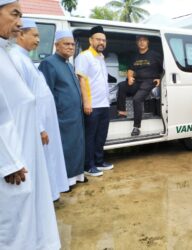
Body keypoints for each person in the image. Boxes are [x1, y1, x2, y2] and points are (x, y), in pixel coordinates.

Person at [0, 1, 60, 249]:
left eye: (21, 16)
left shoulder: (5, 52)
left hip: (23, 149)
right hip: (11, 161)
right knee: (15, 222)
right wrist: (9, 162)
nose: (20, 22)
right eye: (14, 15)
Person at [8, 18, 69, 201]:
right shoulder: (16, 59)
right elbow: (25, 100)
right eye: (34, 35)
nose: (38, 40)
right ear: (21, 34)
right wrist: (40, 127)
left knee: (49, 160)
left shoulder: (26, 58)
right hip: (36, 124)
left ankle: (51, 193)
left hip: (44, 122)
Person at [39, 30, 85, 187]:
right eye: (66, 44)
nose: (70, 47)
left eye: (72, 44)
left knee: (77, 145)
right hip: (61, 116)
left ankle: (77, 176)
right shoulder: (49, 63)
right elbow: (46, 94)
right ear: (56, 45)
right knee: (65, 148)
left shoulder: (69, 64)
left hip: (75, 115)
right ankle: (65, 181)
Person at [75, 26, 114, 177]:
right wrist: (86, 103)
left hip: (104, 104)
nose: (101, 42)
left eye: (103, 40)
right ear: (90, 40)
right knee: (90, 137)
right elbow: (82, 80)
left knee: (101, 135)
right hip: (92, 105)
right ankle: (88, 165)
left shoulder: (101, 58)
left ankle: (99, 161)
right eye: (98, 39)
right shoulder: (84, 56)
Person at [116, 35, 163, 136]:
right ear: (137, 43)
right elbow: (130, 69)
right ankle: (122, 112)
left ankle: (136, 127)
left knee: (137, 99)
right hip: (137, 81)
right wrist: (129, 77)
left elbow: (163, 68)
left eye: (144, 40)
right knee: (121, 86)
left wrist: (159, 77)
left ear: (148, 42)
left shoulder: (155, 55)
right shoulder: (134, 56)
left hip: (149, 81)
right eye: (139, 40)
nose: (142, 42)